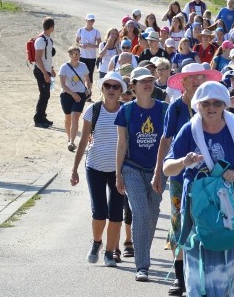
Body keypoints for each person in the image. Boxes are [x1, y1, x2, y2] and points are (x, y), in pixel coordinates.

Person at [163, 81, 234, 297]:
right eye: (205, 103)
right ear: (197, 105)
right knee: (197, 260)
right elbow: (167, 168)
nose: (211, 108)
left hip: (230, 205)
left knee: (229, 259)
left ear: (225, 105)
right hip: (197, 206)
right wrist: (184, 161)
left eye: (217, 103)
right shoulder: (189, 130)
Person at [154, 63, 222, 297]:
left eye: (200, 77)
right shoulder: (175, 108)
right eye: (191, 78)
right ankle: (180, 278)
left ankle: (203, 276)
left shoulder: (215, 107)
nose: (196, 81)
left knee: (206, 224)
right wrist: (158, 172)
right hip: (181, 176)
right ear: (182, 83)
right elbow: (165, 141)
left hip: (210, 178)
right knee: (179, 224)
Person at [115, 67, 168, 282]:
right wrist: (118, 174)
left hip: (158, 169)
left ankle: (143, 253)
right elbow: (121, 144)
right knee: (141, 213)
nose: (147, 84)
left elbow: (168, 143)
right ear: (133, 86)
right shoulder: (126, 111)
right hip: (132, 167)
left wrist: (160, 170)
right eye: (142, 81)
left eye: (150, 80)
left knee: (153, 212)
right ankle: (142, 265)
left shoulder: (165, 109)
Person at [71, 71, 126, 266]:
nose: (111, 90)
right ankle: (96, 242)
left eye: (115, 86)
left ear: (121, 90)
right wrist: (74, 169)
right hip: (94, 166)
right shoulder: (92, 111)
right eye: (107, 86)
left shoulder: (127, 111)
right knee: (99, 211)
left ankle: (110, 252)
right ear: (101, 88)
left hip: (119, 170)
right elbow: (84, 140)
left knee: (116, 212)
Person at [58, 45, 91, 151]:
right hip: (67, 94)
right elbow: (63, 85)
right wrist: (72, 93)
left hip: (80, 94)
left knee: (75, 117)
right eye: (75, 54)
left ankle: (71, 142)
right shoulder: (64, 67)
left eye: (78, 54)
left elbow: (87, 79)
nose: (77, 56)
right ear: (70, 55)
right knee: (68, 118)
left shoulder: (83, 66)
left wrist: (88, 89)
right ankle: (69, 138)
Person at [32, 17, 56, 128]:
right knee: (44, 95)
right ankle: (38, 119)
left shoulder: (48, 39)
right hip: (40, 71)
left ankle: (42, 116)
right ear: (52, 27)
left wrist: (50, 69)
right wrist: (45, 74)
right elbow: (38, 59)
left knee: (46, 95)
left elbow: (47, 58)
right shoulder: (41, 40)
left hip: (45, 70)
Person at [76, 14, 102, 85]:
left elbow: (100, 44)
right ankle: (82, 91)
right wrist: (81, 45)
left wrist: (90, 45)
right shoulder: (80, 30)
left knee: (90, 75)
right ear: (86, 20)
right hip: (82, 56)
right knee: (81, 74)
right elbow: (76, 42)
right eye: (89, 20)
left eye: (92, 20)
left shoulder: (96, 32)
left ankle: (89, 93)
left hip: (91, 57)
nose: (91, 22)